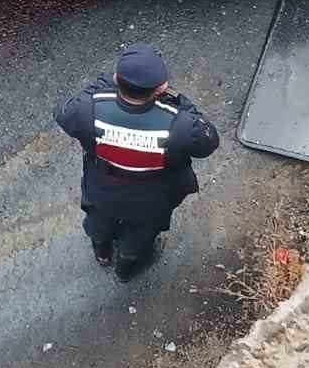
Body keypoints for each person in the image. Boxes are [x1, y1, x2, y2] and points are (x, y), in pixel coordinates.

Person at [54, 44, 219, 282]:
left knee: (99, 220)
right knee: (140, 234)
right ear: (160, 88)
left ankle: (102, 252)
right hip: (152, 198)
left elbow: (63, 111)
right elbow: (208, 143)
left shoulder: (86, 109)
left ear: (116, 79)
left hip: (103, 187)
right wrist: (184, 105)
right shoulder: (181, 125)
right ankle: (125, 269)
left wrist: (102, 85)